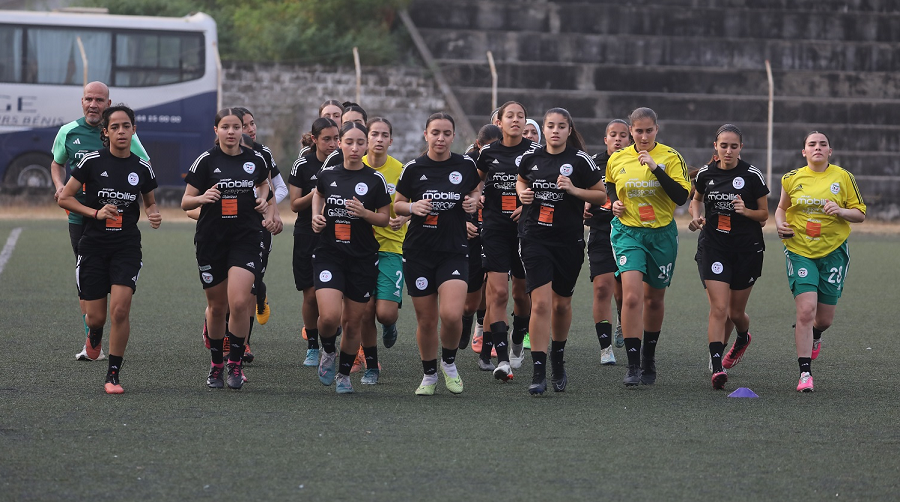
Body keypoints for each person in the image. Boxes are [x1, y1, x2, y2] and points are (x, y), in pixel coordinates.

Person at [57, 104, 161, 393]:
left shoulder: (142, 167)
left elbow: (150, 201)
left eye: (126, 126)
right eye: (114, 127)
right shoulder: (91, 161)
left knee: (120, 311)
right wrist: (95, 213)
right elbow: (64, 198)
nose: (121, 132)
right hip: (93, 245)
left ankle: (113, 374)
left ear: (133, 130)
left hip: (126, 246)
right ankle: (95, 334)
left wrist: (153, 213)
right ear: (106, 132)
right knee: (96, 317)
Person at [517, 108, 606, 394]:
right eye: (550, 126)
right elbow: (521, 179)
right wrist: (522, 192)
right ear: (544, 129)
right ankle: (539, 371)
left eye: (561, 126)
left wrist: (574, 191)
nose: (555, 131)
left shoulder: (580, 161)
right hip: (535, 238)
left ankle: (558, 358)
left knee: (560, 304)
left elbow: (601, 194)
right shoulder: (531, 158)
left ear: (570, 130)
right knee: (541, 304)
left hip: (568, 241)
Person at [182, 108, 272, 390]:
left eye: (236, 127)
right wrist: (202, 198)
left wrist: (263, 201)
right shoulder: (206, 161)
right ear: (216, 130)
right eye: (226, 127)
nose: (232, 132)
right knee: (217, 307)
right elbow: (185, 202)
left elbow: (265, 186)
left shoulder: (255, 159)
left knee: (240, 303)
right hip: (211, 241)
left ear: (242, 130)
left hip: (246, 238)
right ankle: (216, 365)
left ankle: (235, 363)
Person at [394, 112, 481, 395]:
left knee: (453, 314)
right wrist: (412, 208)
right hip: (419, 252)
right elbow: (397, 204)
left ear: (454, 136)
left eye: (446, 133)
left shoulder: (465, 165)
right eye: (435, 132)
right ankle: (429, 375)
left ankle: (449, 362)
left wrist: (474, 200)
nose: (440, 138)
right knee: (427, 320)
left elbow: (476, 187)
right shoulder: (413, 168)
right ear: (426, 135)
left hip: (453, 250)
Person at [774, 131, 866, 392]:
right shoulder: (791, 178)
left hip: (833, 251)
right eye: (811, 144)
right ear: (804, 151)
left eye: (822, 144)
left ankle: (816, 336)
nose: (817, 148)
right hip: (800, 249)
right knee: (805, 311)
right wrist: (780, 224)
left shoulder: (843, 177)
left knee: (823, 320)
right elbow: (781, 208)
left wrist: (840, 211)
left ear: (830, 151)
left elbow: (860, 214)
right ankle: (805, 374)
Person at [606, 107, 690, 386]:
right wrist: (613, 203)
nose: (643, 136)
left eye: (648, 130)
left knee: (654, 299)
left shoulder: (671, 157)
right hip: (628, 233)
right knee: (631, 297)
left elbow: (680, 197)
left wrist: (655, 168)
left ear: (657, 129)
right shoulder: (617, 158)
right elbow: (609, 186)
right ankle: (632, 365)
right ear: (630, 131)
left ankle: (648, 357)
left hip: (661, 235)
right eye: (638, 130)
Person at [310, 121, 391, 394]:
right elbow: (318, 195)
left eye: (360, 142)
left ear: (366, 145)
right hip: (329, 254)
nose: (355, 148)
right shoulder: (328, 174)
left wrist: (364, 213)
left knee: (352, 322)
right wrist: (316, 216)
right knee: (330, 317)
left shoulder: (374, 179)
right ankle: (328, 350)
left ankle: (344, 374)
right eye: (349, 142)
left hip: (362, 257)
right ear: (340, 144)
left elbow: (384, 217)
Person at [688, 124, 769, 390]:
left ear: (741, 148)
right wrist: (696, 217)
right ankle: (717, 365)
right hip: (714, 247)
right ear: (715, 146)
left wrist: (746, 211)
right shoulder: (705, 175)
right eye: (724, 145)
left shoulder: (752, 175)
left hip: (746, 249)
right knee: (719, 308)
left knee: (735, 312)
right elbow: (696, 200)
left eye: (734, 146)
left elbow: (764, 216)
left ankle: (743, 337)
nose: (728, 150)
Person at [475, 101, 534, 381]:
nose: (515, 120)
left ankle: (516, 343)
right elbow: (473, 182)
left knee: (522, 297)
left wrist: (530, 206)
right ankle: (502, 361)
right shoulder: (488, 153)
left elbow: (545, 185)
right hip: (495, 229)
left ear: (525, 122)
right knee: (497, 293)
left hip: (527, 231)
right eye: (509, 116)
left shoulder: (536, 152)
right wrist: (476, 197)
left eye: (520, 116)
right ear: (499, 122)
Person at [350, 117, 407, 385]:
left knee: (385, 313)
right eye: (375, 134)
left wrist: (403, 219)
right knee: (365, 310)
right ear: (367, 138)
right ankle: (372, 366)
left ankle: (390, 323)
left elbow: (412, 205)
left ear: (391, 141)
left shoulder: (401, 170)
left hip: (391, 248)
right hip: (360, 249)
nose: (379, 139)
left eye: (385, 135)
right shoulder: (352, 169)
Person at [290, 117, 340, 367]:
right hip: (307, 233)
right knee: (310, 295)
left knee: (335, 294)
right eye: (327, 139)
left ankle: (331, 341)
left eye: (336, 138)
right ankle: (312, 345)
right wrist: (317, 192)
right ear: (314, 139)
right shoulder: (303, 164)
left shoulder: (345, 161)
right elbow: (294, 205)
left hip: (338, 234)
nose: (333, 144)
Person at [585, 119, 631, 365]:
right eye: (613, 135)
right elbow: (582, 190)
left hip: (629, 233)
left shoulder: (637, 163)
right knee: (603, 288)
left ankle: (624, 321)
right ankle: (606, 349)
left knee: (625, 293)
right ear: (605, 139)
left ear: (630, 138)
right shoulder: (592, 163)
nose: (618, 139)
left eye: (623, 135)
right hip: (601, 232)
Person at [237, 108, 287, 330]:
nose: (251, 129)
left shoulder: (263, 153)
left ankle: (244, 343)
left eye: (252, 123)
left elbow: (279, 188)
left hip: (258, 226)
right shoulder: (216, 156)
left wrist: (268, 207)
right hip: (228, 227)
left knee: (251, 284)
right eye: (244, 125)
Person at [461, 124, 501, 370]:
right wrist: (464, 221)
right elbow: (456, 195)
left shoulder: (510, 160)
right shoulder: (467, 164)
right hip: (472, 230)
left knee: (495, 288)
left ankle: (486, 350)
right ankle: (467, 318)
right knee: (472, 297)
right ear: (478, 146)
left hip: (497, 230)